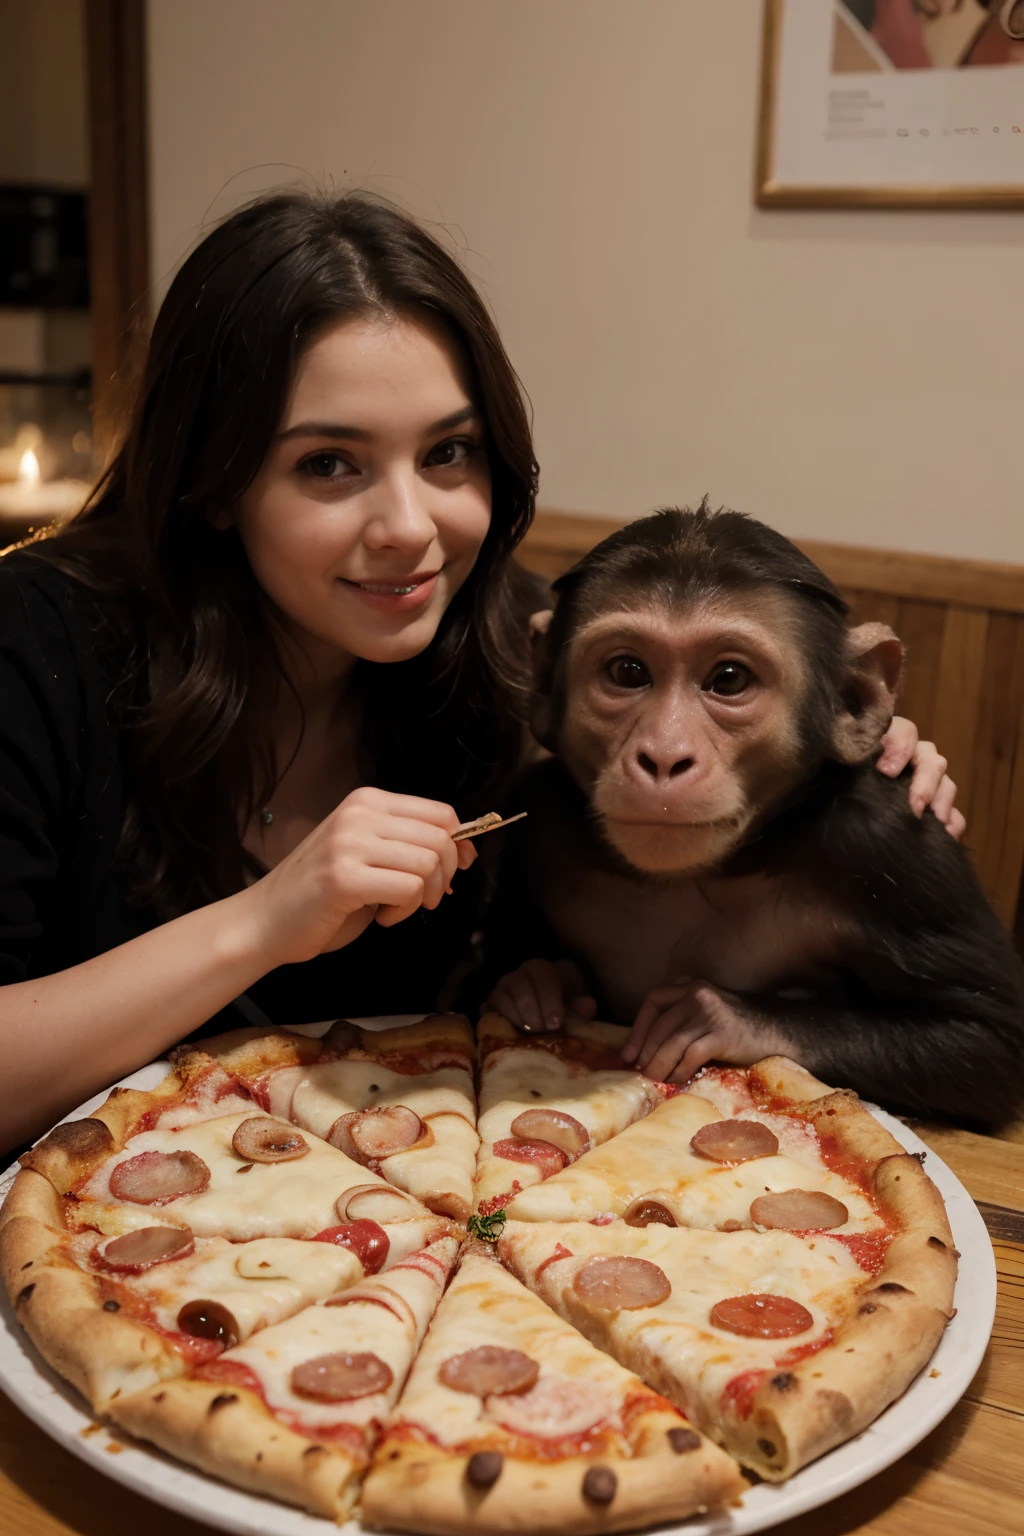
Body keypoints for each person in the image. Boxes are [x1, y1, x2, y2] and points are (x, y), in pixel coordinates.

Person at [0, 191, 958, 1154]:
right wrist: (260, 923)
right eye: (330, 464)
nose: (411, 529)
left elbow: (705, 718)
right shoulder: (34, 643)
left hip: (393, 1208)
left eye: (449, 452)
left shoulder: (510, 645)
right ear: (214, 482)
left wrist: (842, 769)